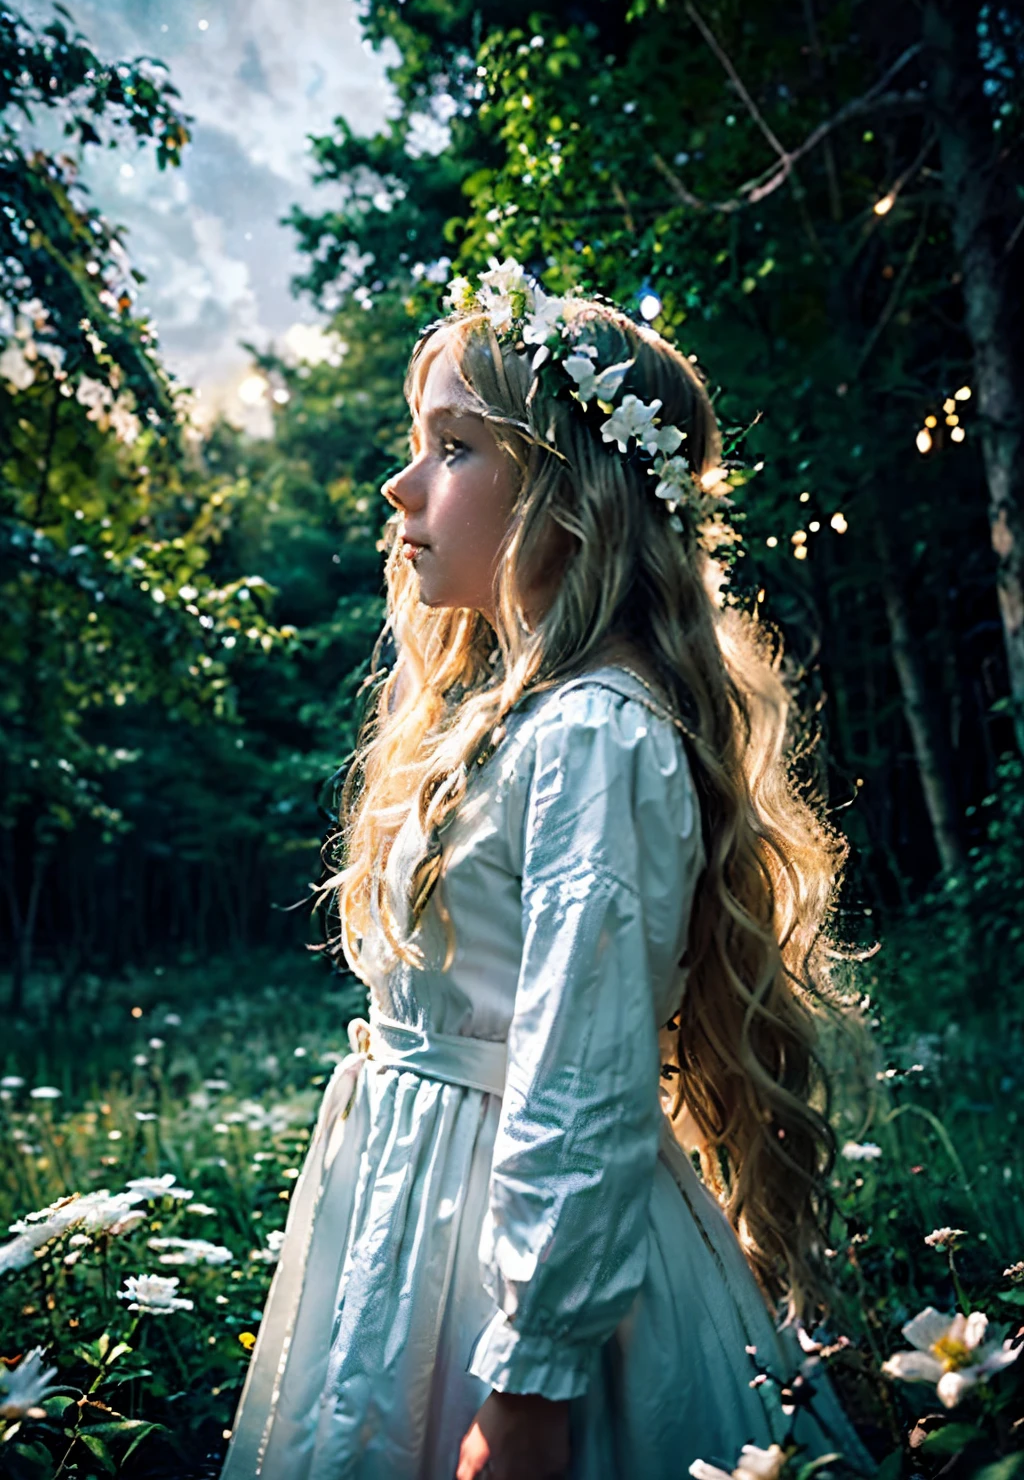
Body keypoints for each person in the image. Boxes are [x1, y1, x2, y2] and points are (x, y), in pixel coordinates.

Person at [220, 262, 876, 1480]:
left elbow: (578, 1074)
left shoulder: (596, 734)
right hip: (416, 1221)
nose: (401, 483)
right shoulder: (521, 720)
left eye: (454, 447)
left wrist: (531, 1375)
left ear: (571, 497)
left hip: (516, 1270)